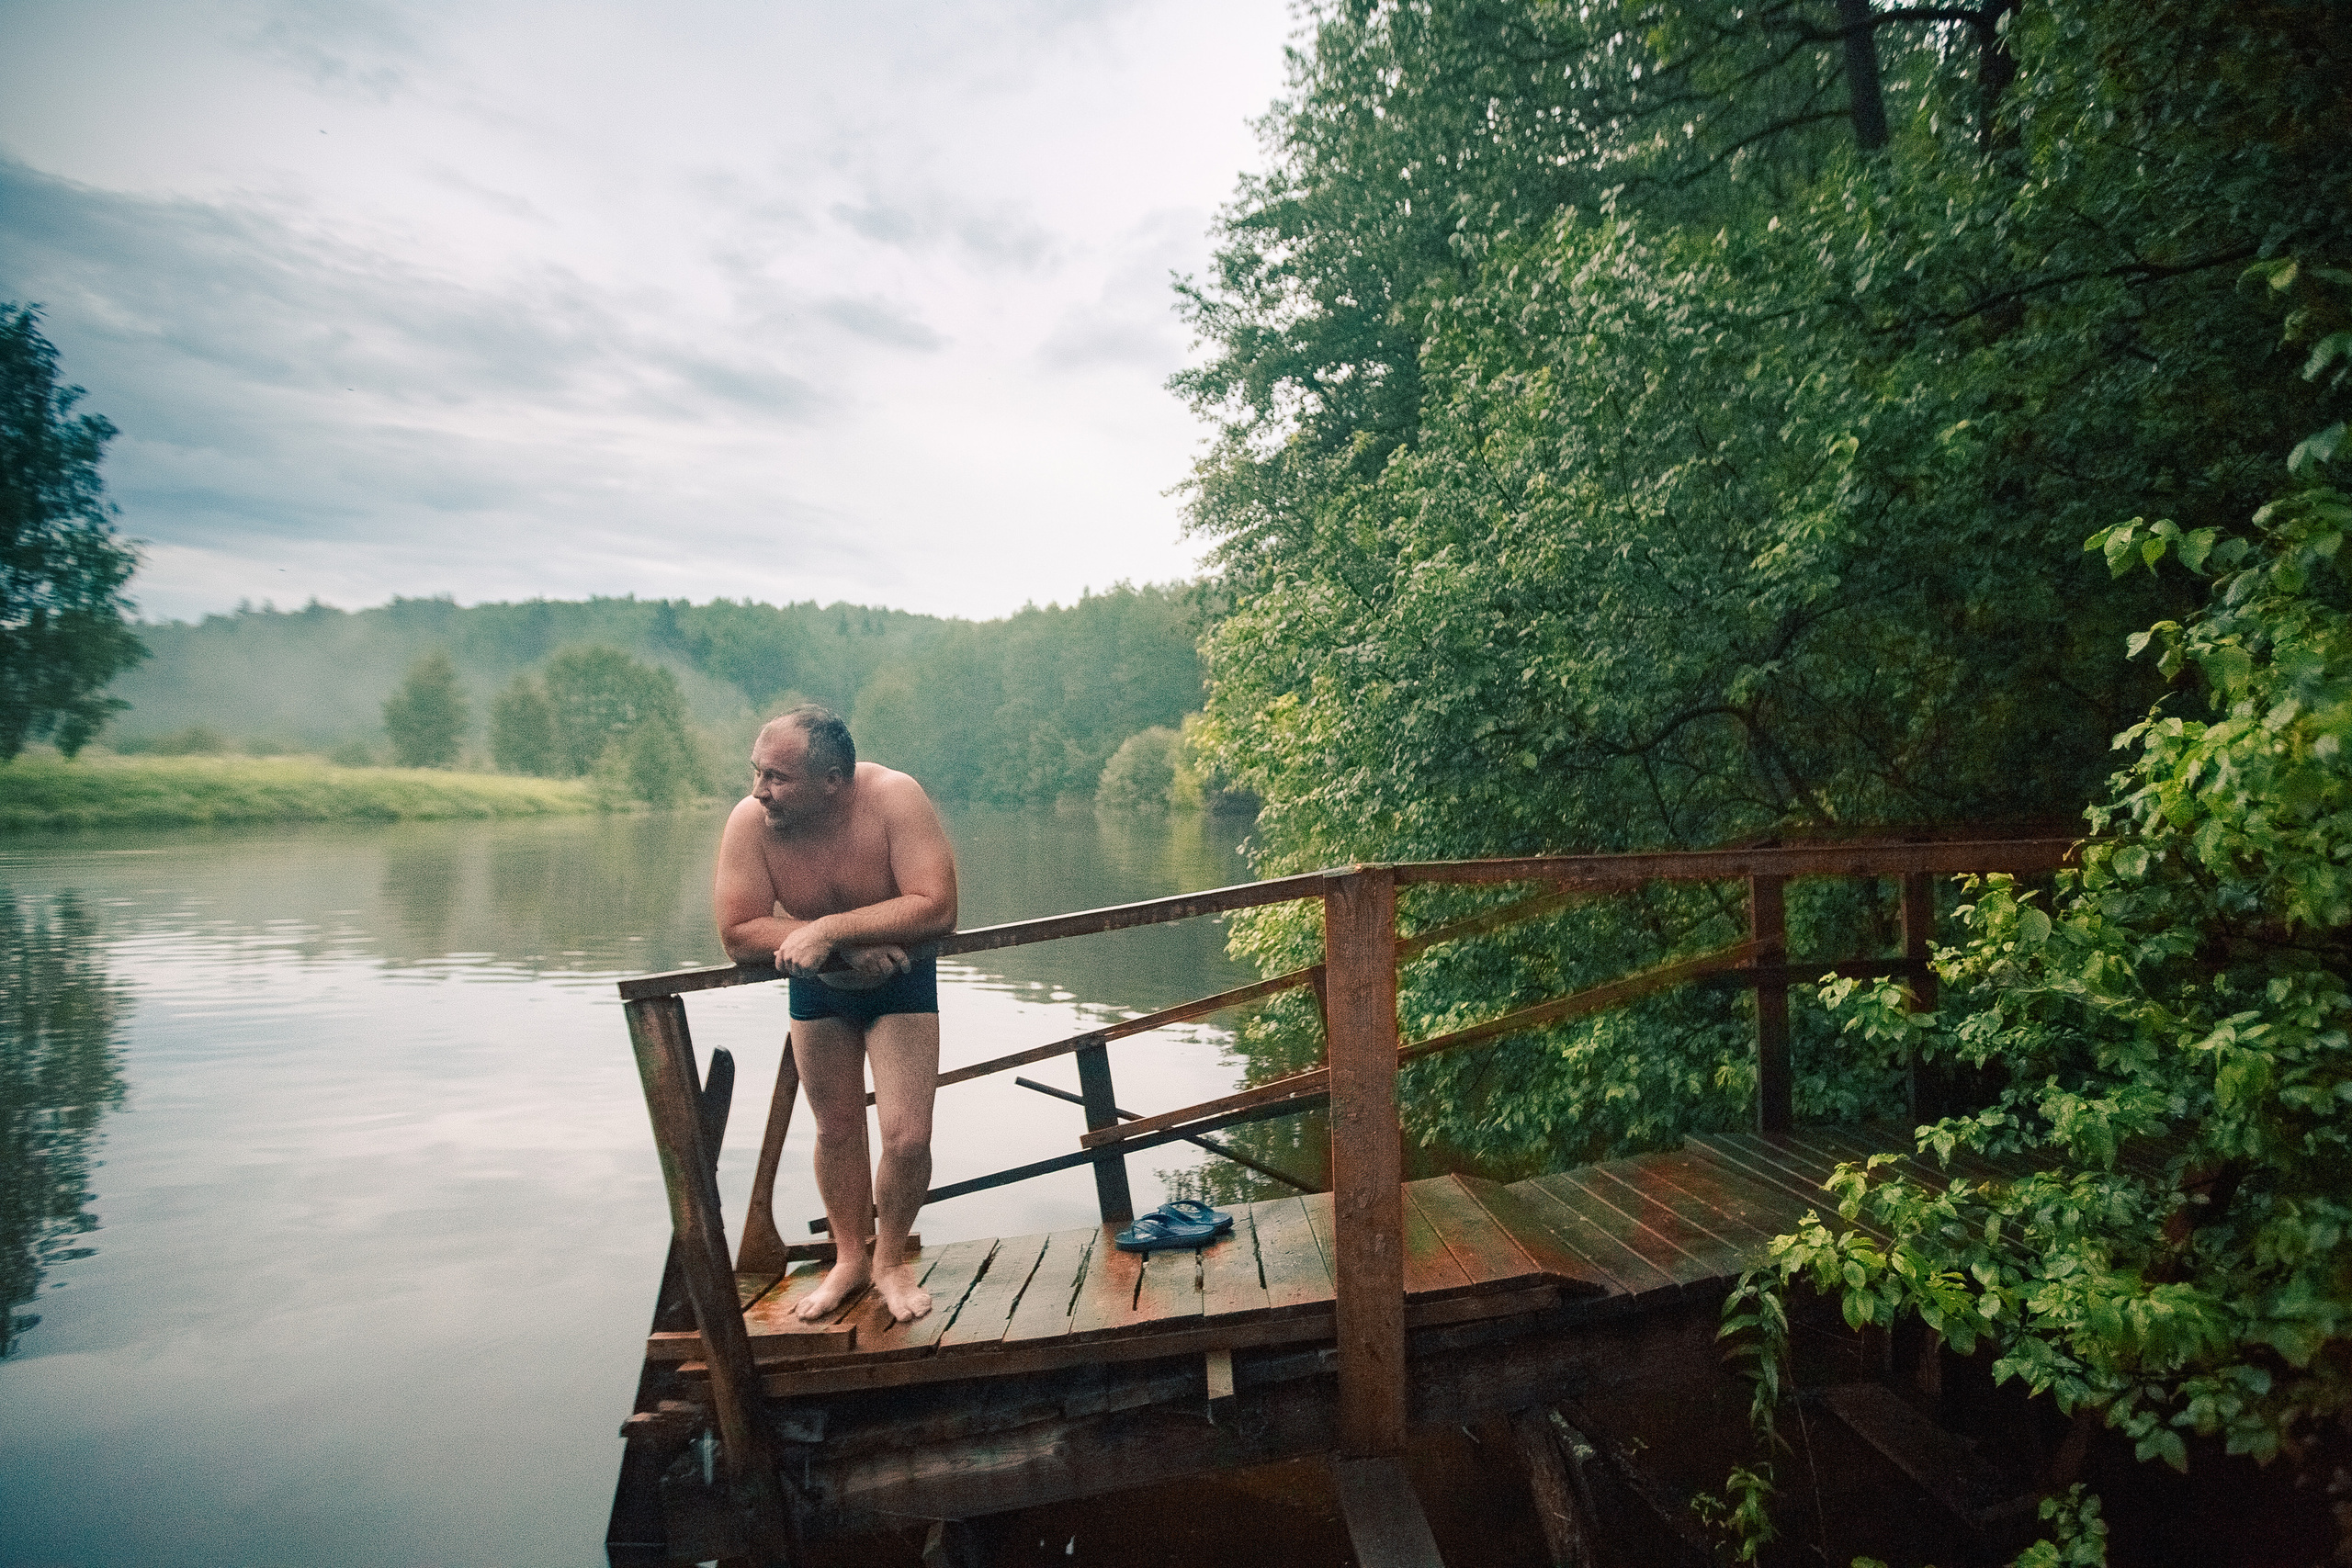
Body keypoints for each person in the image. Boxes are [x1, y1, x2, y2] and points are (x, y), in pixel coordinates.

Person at [714, 705, 958, 1323]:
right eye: (757, 772)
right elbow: (738, 930)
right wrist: (836, 948)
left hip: (898, 982)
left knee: (907, 1134)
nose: (759, 790)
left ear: (832, 779)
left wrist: (829, 928)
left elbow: (936, 906)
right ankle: (850, 1257)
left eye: (776, 777)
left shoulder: (894, 797)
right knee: (838, 1127)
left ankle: (891, 1259)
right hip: (815, 983)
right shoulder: (752, 823)